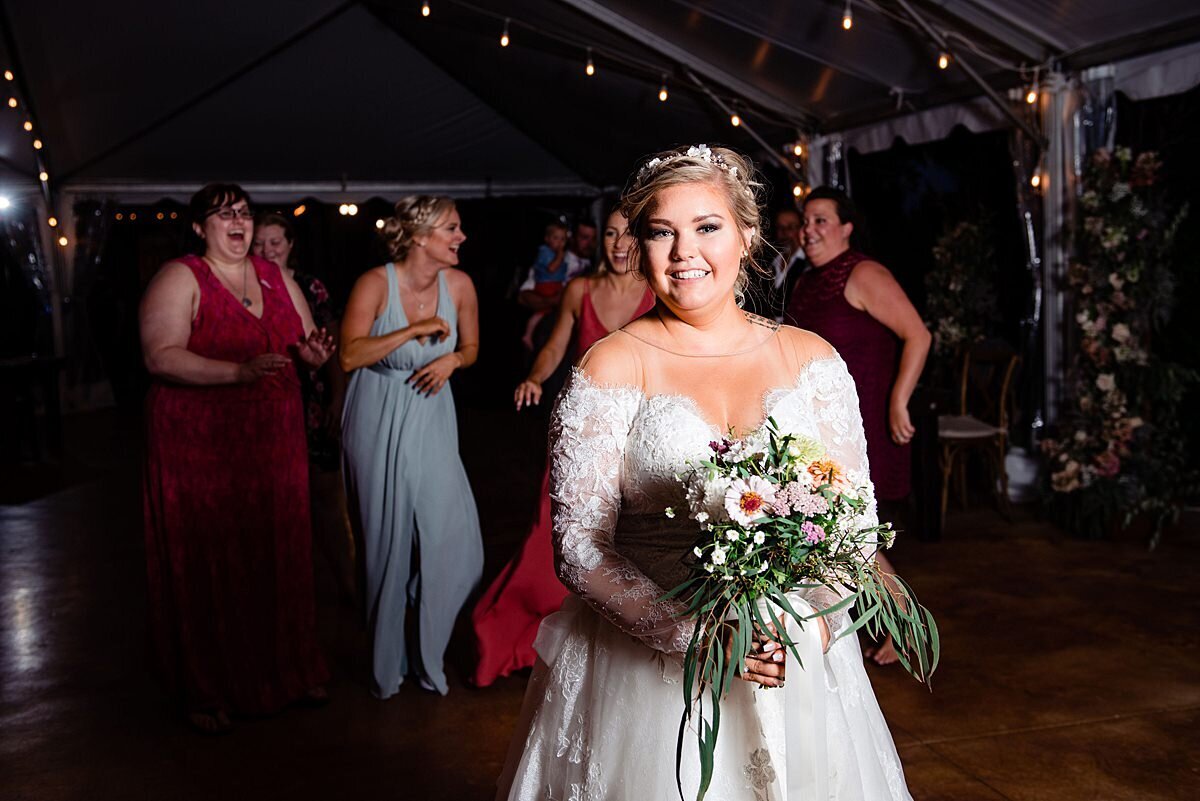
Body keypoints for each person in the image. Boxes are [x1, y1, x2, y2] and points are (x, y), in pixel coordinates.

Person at [497, 146, 914, 799]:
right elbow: (579, 548)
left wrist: (809, 624)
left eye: (707, 227)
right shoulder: (610, 366)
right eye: (662, 231)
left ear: (748, 236)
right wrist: (694, 635)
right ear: (638, 243)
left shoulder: (813, 360)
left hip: (799, 668)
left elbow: (853, 528)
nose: (683, 250)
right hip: (650, 681)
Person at [140, 184, 333, 734]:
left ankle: (290, 670)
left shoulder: (276, 276)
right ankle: (208, 686)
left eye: (244, 212)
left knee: (277, 548)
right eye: (223, 213)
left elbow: (301, 346)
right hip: (199, 442)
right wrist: (237, 373)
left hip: (273, 440)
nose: (238, 221)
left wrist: (313, 356)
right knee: (212, 554)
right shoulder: (181, 276)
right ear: (200, 227)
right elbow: (160, 355)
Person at [471, 207, 655, 687]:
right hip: (582, 434)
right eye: (610, 234)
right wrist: (534, 375)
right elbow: (555, 346)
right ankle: (528, 637)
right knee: (550, 541)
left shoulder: (659, 290)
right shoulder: (580, 290)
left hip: (641, 436)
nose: (617, 244)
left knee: (626, 546)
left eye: (626, 234)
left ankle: (611, 645)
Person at [339, 195, 483, 697]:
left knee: (457, 544)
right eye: (452, 228)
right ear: (420, 236)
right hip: (376, 413)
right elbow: (350, 354)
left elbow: (470, 347)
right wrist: (415, 328)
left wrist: (453, 363)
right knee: (384, 545)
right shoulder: (375, 283)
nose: (461, 236)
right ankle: (387, 670)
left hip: (432, 414)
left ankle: (427, 651)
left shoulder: (460, 285)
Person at [786, 186, 932, 666]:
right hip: (814, 423)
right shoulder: (807, 279)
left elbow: (918, 334)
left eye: (821, 220)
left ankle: (902, 624)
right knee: (834, 531)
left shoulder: (864, 273)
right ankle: (893, 623)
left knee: (847, 530)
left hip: (861, 421)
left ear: (847, 227)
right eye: (806, 221)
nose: (809, 230)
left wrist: (899, 402)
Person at [252, 212, 355, 601]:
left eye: (275, 242)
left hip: (310, 399)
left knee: (326, 496)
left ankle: (348, 586)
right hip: (266, 402)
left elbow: (332, 351)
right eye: (259, 243)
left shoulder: (310, 287)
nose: (267, 250)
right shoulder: (244, 286)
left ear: (290, 245)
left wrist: (336, 399)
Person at [743, 206, 805, 320]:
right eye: (780, 228)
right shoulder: (770, 262)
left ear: (801, 229)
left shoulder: (808, 264)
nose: (784, 233)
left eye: (790, 227)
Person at [520, 222, 571, 350]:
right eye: (556, 238)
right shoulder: (545, 252)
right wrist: (560, 255)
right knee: (542, 312)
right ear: (547, 239)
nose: (559, 242)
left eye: (563, 239)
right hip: (547, 286)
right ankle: (528, 334)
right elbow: (552, 268)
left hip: (556, 285)